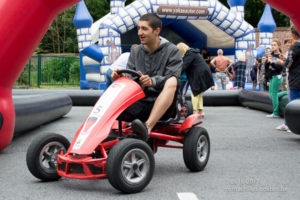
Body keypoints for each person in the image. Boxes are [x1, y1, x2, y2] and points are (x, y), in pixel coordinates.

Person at [111, 13, 182, 140]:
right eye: (138, 28)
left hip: (164, 105)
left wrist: (152, 81)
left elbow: (172, 76)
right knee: (116, 88)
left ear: (157, 31)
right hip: (141, 102)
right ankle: (100, 135)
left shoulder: (172, 51)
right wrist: (120, 77)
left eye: (144, 28)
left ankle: (147, 127)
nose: (139, 32)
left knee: (172, 80)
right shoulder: (136, 51)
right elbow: (130, 79)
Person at [177, 42, 214, 116]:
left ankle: (194, 111)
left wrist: (176, 74)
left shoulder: (189, 54)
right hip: (204, 73)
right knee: (199, 93)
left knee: (194, 92)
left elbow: (184, 66)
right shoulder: (193, 52)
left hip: (198, 74)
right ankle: (201, 111)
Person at [276, 26, 300, 132]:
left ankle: (289, 124)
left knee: (292, 102)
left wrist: (282, 62)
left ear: (293, 34)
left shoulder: (294, 47)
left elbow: (289, 63)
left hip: (295, 78)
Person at [265, 39, 285, 118]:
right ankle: (286, 92)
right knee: (271, 95)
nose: (272, 46)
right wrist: (267, 61)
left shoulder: (280, 56)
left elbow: (280, 68)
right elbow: (267, 67)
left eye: (274, 45)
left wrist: (272, 63)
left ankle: (275, 113)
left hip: (277, 76)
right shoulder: (271, 55)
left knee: (273, 94)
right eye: (272, 45)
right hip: (271, 76)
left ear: (278, 46)